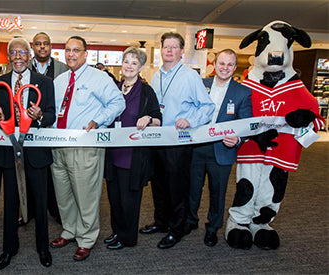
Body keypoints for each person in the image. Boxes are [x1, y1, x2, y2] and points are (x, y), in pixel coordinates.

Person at [49, 36, 125, 261]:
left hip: (85, 146)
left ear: (85, 54)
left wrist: (99, 120)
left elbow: (118, 102)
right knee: (63, 195)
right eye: (67, 50)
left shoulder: (99, 78)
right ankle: (69, 230)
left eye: (76, 50)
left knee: (86, 196)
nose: (71, 54)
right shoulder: (60, 80)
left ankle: (86, 238)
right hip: (58, 145)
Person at [139, 32, 214, 249]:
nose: (169, 50)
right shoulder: (155, 76)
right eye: (166, 47)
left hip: (178, 143)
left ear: (182, 52)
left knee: (177, 188)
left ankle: (177, 228)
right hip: (157, 140)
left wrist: (190, 120)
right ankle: (161, 223)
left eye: (174, 47)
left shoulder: (190, 77)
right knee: (159, 186)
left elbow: (208, 107)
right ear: (161, 50)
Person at [0, 37, 55, 270]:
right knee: (10, 203)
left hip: (36, 151)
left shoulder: (45, 83)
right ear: (9, 57)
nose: (18, 57)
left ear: (29, 56)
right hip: (9, 152)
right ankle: (9, 248)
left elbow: (51, 116)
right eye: (13, 53)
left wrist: (39, 115)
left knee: (40, 202)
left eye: (22, 53)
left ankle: (43, 248)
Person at [185, 49, 252, 247]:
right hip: (196, 147)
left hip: (222, 150)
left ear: (234, 67)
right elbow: (188, 109)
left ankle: (213, 228)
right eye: (222, 63)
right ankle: (190, 221)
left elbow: (246, 124)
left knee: (218, 192)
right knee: (192, 189)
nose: (225, 68)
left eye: (230, 64)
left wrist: (238, 140)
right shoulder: (201, 84)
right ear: (215, 65)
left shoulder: (242, 92)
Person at [104, 47, 161, 250]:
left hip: (132, 157)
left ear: (141, 67)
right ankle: (117, 232)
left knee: (130, 200)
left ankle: (128, 238)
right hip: (113, 154)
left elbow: (158, 120)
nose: (129, 66)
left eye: (134, 63)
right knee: (114, 198)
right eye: (126, 61)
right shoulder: (114, 88)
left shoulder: (146, 91)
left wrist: (148, 118)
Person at [29, 31, 68, 225]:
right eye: (38, 44)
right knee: (31, 170)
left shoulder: (62, 68)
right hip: (30, 129)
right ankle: (31, 210)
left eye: (46, 43)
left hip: (55, 127)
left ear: (51, 47)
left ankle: (56, 209)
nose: (42, 47)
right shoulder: (24, 68)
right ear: (33, 47)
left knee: (55, 173)